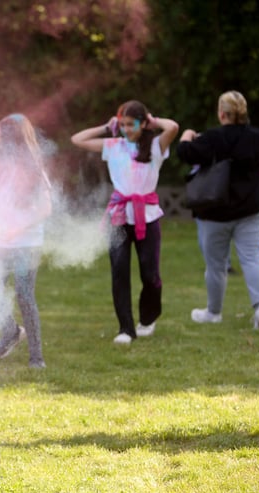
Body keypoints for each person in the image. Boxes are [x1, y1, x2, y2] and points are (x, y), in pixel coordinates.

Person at [71, 100, 179, 344]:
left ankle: (148, 319)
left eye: (131, 124)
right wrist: (104, 127)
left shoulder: (155, 147)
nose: (126, 129)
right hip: (119, 217)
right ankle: (125, 329)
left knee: (150, 274)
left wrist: (154, 121)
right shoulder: (114, 145)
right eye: (122, 125)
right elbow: (77, 139)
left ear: (143, 123)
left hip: (147, 217)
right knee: (119, 272)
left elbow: (172, 127)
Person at [177, 91, 259, 329]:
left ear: (221, 113)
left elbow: (184, 153)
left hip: (215, 211)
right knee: (252, 259)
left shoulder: (212, 138)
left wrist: (187, 136)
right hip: (250, 208)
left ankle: (214, 312)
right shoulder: (257, 137)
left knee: (216, 265)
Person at [0, 114, 52, 367]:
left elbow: (45, 208)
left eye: (4, 136)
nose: (0, 140)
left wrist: (17, 228)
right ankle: (11, 331)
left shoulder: (34, 168)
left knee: (24, 295)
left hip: (26, 243)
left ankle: (37, 357)